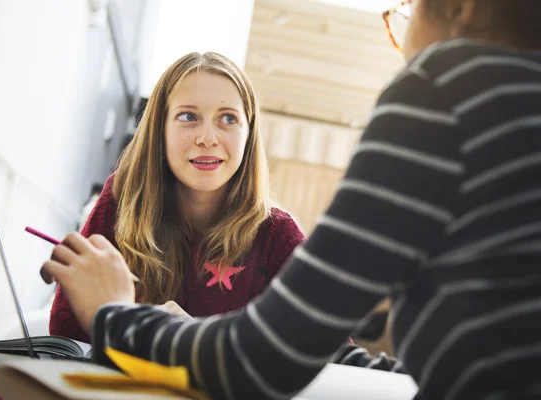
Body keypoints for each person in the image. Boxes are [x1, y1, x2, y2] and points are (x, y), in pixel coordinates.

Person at [42, 0, 541, 398]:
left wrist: (116, 315)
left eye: (406, 8)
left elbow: (265, 360)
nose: (402, 42)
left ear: (464, 7)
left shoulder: (449, 85)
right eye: (188, 116)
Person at [48, 51, 309, 343]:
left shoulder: (278, 235)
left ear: (249, 135)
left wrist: (194, 341)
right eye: (188, 117)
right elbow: (65, 331)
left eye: (228, 118)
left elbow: (330, 359)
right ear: (160, 131)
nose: (207, 138)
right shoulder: (123, 198)